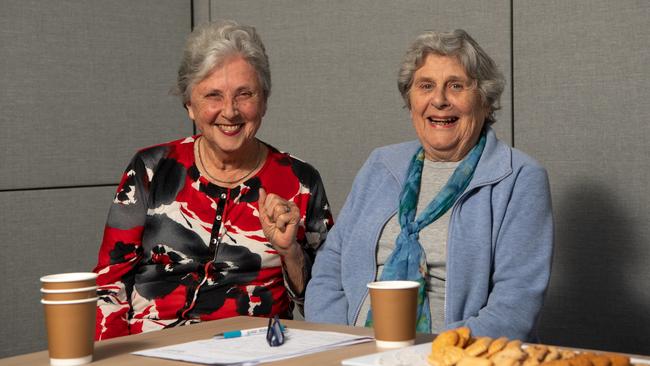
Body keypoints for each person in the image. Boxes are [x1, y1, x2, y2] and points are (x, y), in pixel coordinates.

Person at [305, 29, 553, 341]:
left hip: (451, 356)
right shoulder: (380, 165)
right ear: (411, 101)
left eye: (456, 86)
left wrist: (429, 353)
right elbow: (329, 269)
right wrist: (338, 340)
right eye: (426, 86)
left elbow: (514, 307)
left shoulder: (518, 177)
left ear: (486, 102)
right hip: (352, 350)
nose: (439, 100)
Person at [94, 20, 333, 340]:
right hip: (153, 353)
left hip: (257, 354)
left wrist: (289, 251)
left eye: (244, 94)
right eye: (213, 96)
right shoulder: (151, 169)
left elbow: (325, 302)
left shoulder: (300, 181)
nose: (230, 111)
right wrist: (115, 360)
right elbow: (109, 287)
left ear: (264, 100)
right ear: (190, 104)